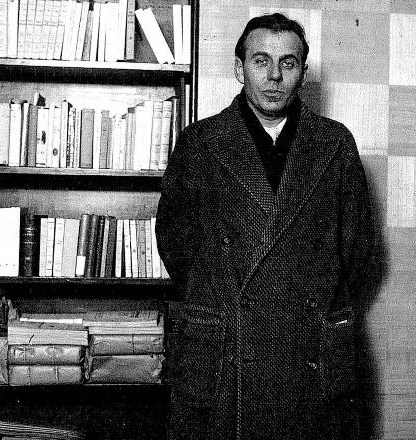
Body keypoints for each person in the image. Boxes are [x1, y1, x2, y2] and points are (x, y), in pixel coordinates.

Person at [156, 12, 374, 440]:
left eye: (287, 63)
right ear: (240, 69)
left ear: (302, 73)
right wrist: (226, 301)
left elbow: (359, 252)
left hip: (309, 350)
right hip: (227, 350)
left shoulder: (335, 144)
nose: (274, 76)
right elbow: (176, 246)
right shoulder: (200, 143)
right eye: (261, 61)